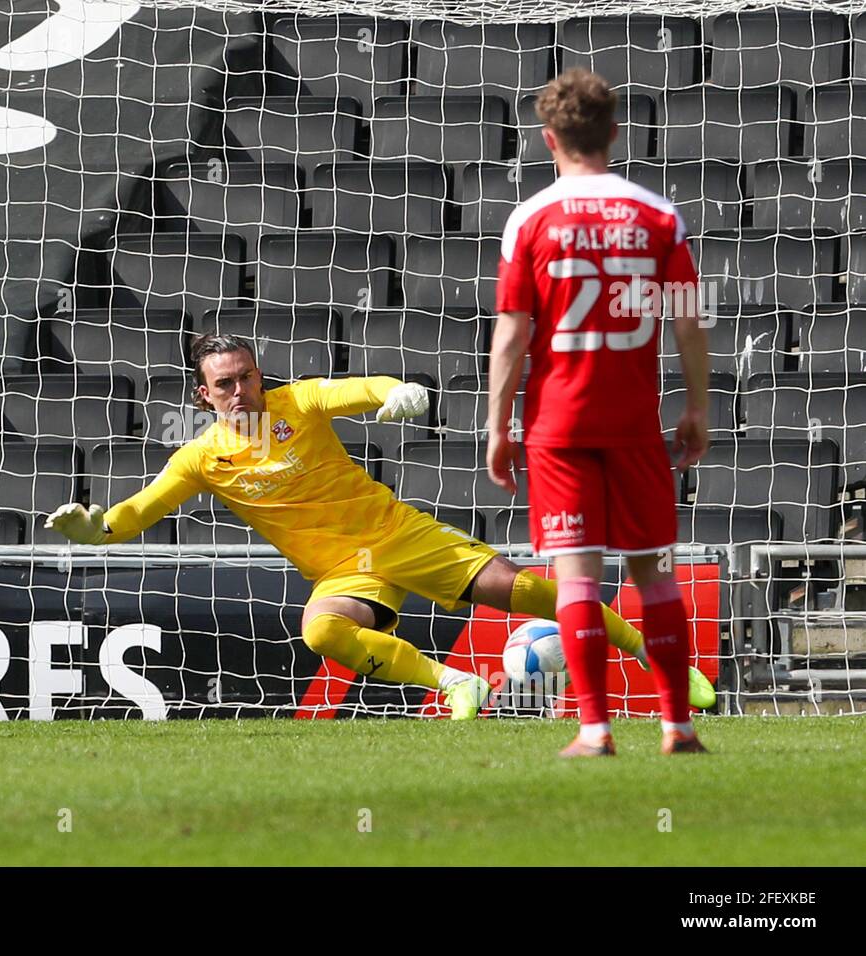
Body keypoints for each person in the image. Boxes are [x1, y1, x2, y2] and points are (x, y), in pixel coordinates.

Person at [47, 333, 715, 718]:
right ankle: (453, 683)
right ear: (204, 395)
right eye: (224, 384)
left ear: (259, 374)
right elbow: (140, 510)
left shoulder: (297, 403)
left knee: (530, 591)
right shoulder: (201, 457)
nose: (239, 390)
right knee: (322, 630)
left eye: (246, 376)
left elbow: (360, 388)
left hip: (399, 536)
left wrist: (399, 392)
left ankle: (658, 658)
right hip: (345, 573)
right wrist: (96, 530)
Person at [488, 68, 711, 757]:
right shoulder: (657, 215)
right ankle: (677, 727)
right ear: (615, 133)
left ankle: (596, 731)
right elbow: (688, 322)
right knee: (654, 574)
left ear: (548, 138)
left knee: (578, 577)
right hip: (635, 422)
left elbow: (513, 333)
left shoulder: (530, 219)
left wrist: (498, 425)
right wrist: (697, 405)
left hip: (559, 425)